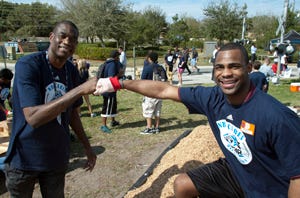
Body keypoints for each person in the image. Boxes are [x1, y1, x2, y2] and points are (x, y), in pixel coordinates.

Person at [94, 42, 300, 197]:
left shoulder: (276, 116)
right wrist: (117, 83)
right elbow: (165, 89)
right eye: (220, 67)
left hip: (270, 187)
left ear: (248, 68)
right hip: (238, 170)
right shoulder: (212, 98)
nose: (226, 73)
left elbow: (297, 177)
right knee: (182, 184)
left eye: (234, 66)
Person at [4, 20, 97, 197]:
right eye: (63, 36)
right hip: (24, 158)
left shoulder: (70, 70)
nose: (68, 41)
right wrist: (79, 90)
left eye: (73, 39)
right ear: (52, 37)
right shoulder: (28, 65)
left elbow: (73, 115)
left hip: (55, 157)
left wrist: (87, 146)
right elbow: (33, 118)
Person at [140, 51, 166, 134]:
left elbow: (142, 80)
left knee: (148, 110)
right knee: (157, 111)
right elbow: (165, 79)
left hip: (150, 93)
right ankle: (157, 127)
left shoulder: (147, 68)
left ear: (149, 59)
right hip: (160, 93)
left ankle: (149, 128)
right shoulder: (161, 67)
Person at [99, 49, 121, 133]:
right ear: (116, 57)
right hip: (108, 90)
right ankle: (103, 125)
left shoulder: (107, 62)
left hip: (109, 89)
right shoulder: (112, 64)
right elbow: (111, 77)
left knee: (112, 105)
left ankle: (113, 121)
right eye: (118, 56)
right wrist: (119, 74)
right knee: (107, 107)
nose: (119, 58)